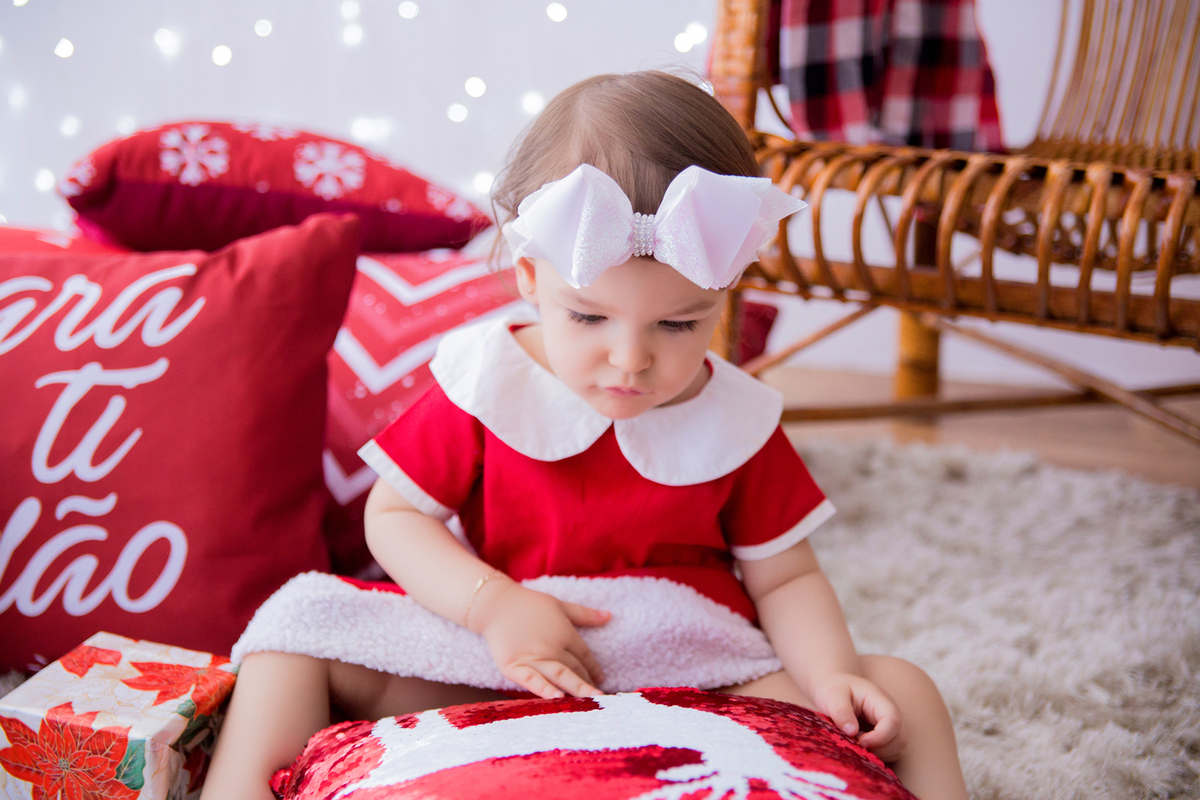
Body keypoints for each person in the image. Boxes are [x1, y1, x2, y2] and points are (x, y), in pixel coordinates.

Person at [201, 71, 967, 800]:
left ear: (722, 298)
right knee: (296, 630)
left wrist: (831, 677)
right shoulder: (489, 385)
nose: (631, 359)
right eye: (589, 317)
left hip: (697, 667)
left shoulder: (734, 419)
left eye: (678, 323)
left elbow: (787, 579)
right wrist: (493, 606)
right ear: (532, 280)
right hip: (506, 655)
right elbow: (395, 518)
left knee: (900, 689)